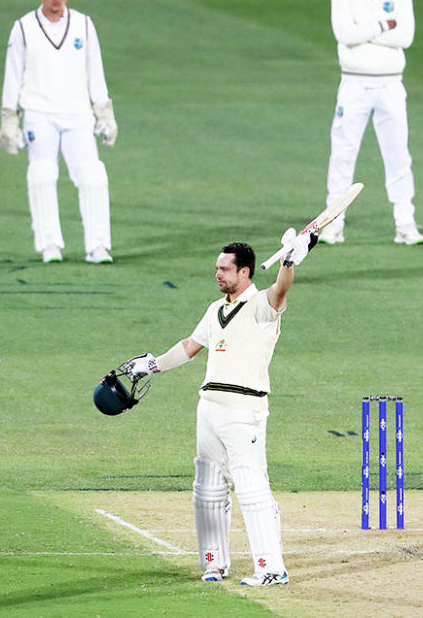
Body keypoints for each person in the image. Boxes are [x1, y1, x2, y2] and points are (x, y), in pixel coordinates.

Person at [122, 230, 316, 586]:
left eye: (225, 269)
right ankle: (215, 563)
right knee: (208, 489)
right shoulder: (215, 310)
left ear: (245, 273)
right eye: (217, 268)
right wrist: (153, 365)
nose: (218, 274)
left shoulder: (261, 307)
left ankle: (272, 569)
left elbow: (280, 290)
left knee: (252, 488)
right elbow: (191, 347)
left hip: (244, 409)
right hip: (209, 407)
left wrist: (289, 261)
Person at [0, 0, 119, 264]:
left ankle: (98, 246)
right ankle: (50, 245)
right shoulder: (24, 27)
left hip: (78, 113)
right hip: (39, 113)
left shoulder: (84, 24)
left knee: (92, 174)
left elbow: (95, 70)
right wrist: (9, 116)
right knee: (42, 173)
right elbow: (13, 74)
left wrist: (104, 111)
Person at [322, 0, 423, 246]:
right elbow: (344, 34)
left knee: (397, 154)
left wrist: (363, 30)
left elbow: (405, 37)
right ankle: (332, 223)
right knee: (343, 152)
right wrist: (382, 25)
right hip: (353, 83)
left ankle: (405, 223)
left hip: (391, 83)